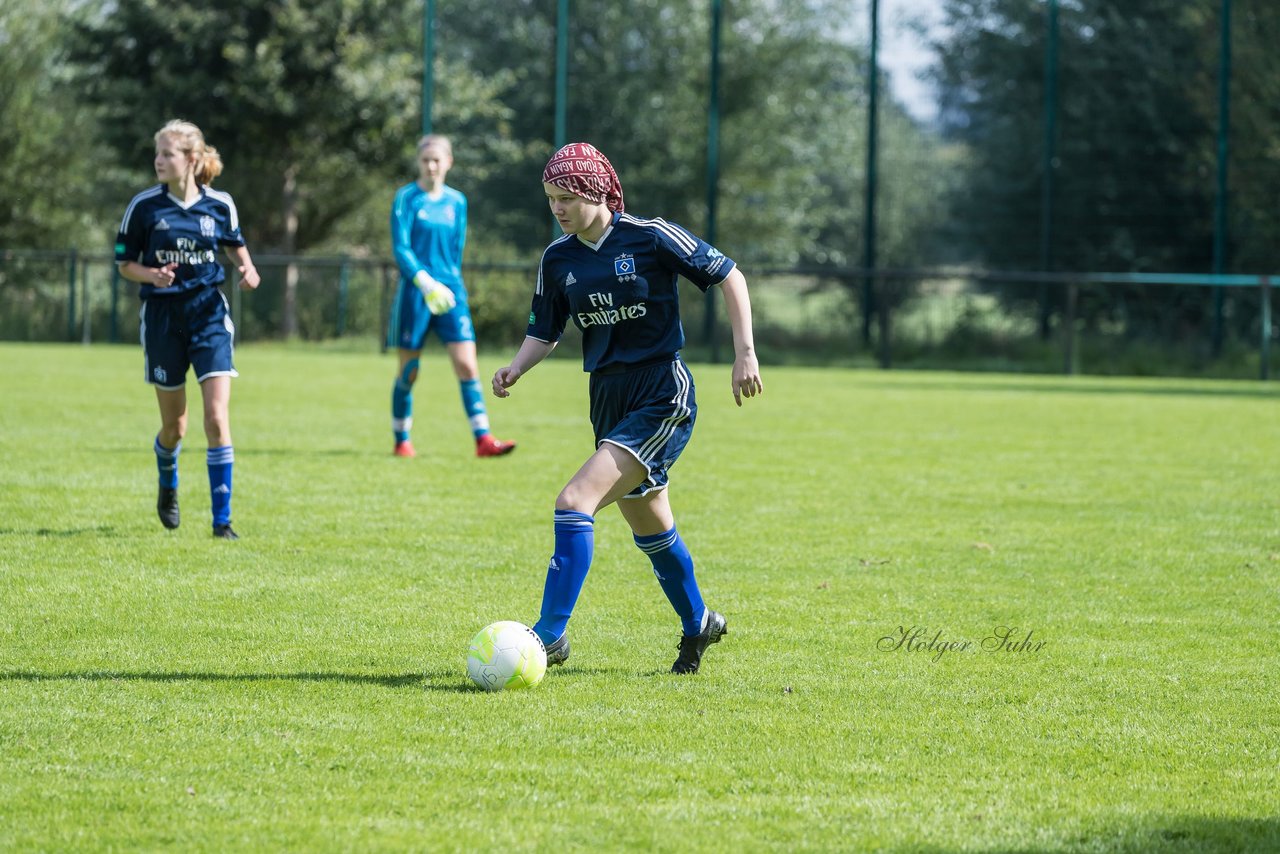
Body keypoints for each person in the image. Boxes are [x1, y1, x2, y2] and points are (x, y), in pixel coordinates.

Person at [492, 142, 763, 675]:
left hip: (663, 393)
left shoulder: (651, 235)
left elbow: (730, 275)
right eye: (550, 199)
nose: (558, 208)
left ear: (595, 190)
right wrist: (517, 368)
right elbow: (545, 330)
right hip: (608, 399)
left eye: (566, 196)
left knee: (574, 502)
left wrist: (745, 354)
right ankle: (699, 622)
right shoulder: (558, 258)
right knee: (649, 523)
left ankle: (549, 636)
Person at [115, 120, 260, 540]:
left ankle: (222, 522)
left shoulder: (220, 204)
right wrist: (150, 275)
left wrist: (248, 270)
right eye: (157, 153)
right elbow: (125, 264)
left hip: (209, 316)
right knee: (175, 427)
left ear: (191, 160)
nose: (158, 161)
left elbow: (236, 248)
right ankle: (168, 477)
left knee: (216, 417)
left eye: (167, 154)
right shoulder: (144, 207)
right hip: (162, 321)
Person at [389, 134, 516, 459]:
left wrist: (448, 285)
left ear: (448, 163)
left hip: (451, 292)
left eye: (437, 160)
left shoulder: (457, 201)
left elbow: (456, 248)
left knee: (467, 366)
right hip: (417, 293)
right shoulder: (406, 198)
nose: (431, 165)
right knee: (409, 371)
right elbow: (401, 248)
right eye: (425, 160)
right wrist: (425, 282)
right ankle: (402, 440)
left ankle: (483, 439)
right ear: (419, 163)